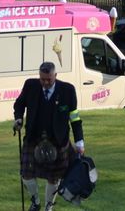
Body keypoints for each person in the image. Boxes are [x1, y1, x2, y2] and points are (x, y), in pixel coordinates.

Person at [14, 62, 85, 211]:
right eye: (42, 79)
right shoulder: (30, 85)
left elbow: (74, 117)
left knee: (54, 178)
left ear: (55, 76)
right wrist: (19, 118)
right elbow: (19, 104)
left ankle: (48, 207)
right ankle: (35, 202)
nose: (45, 83)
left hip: (58, 140)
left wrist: (79, 141)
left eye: (49, 80)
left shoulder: (67, 90)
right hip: (34, 137)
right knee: (26, 174)